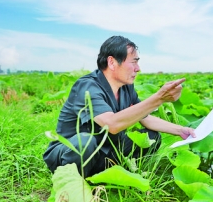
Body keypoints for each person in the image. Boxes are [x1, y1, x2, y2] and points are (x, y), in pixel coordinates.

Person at [43, 36, 195, 177]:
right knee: (85, 141)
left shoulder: (126, 87)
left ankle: (110, 175)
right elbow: (112, 125)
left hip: (107, 149)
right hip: (71, 153)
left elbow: (145, 117)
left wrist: (180, 130)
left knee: (152, 137)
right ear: (112, 62)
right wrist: (158, 98)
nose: (138, 68)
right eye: (133, 62)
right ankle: (74, 184)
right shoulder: (88, 86)